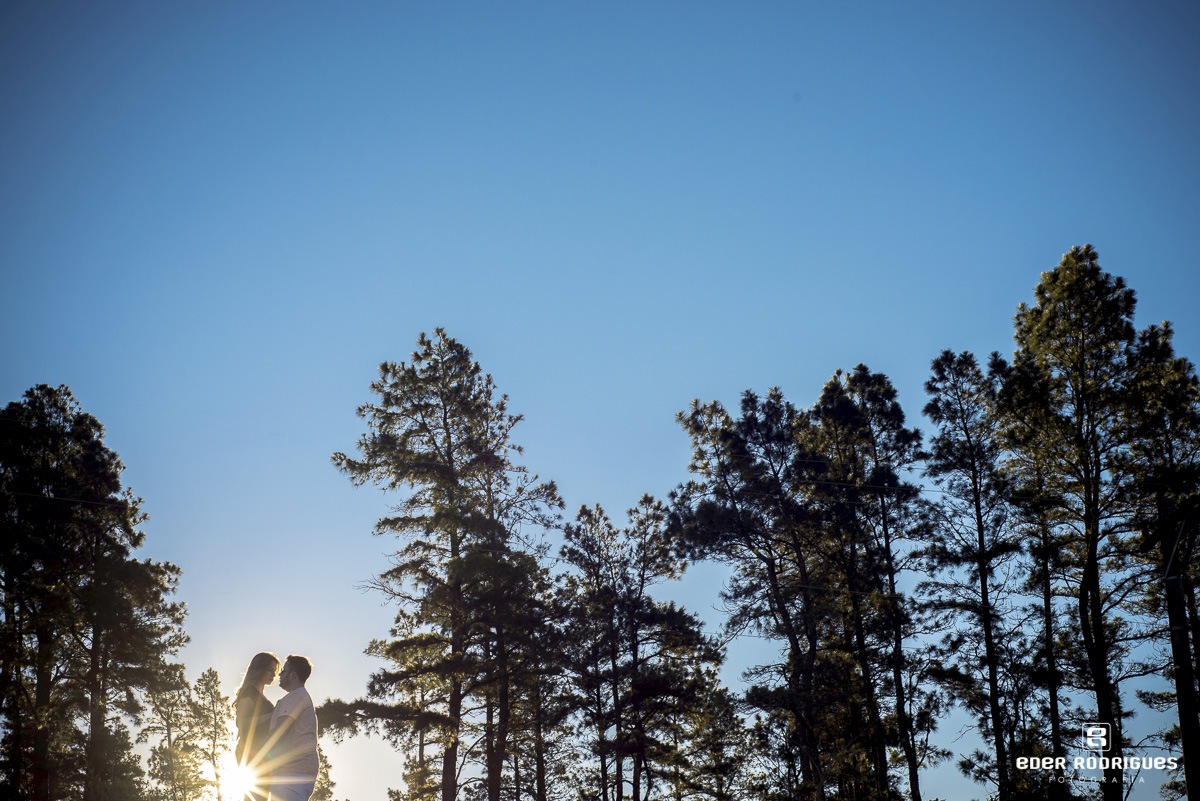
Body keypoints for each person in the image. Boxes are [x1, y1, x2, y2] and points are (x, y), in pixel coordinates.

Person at [268, 654, 319, 801]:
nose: (280, 674)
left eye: (284, 671)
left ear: (293, 675)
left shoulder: (295, 696)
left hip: (292, 772)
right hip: (298, 772)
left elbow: (280, 732)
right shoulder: (301, 696)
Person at [234, 652, 281, 801]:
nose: (273, 674)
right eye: (270, 670)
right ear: (259, 668)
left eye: (275, 671)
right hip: (250, 751)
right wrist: (271, 716)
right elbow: (241, 722)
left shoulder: (261, 696)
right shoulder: (249, 693)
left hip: (262, 752)